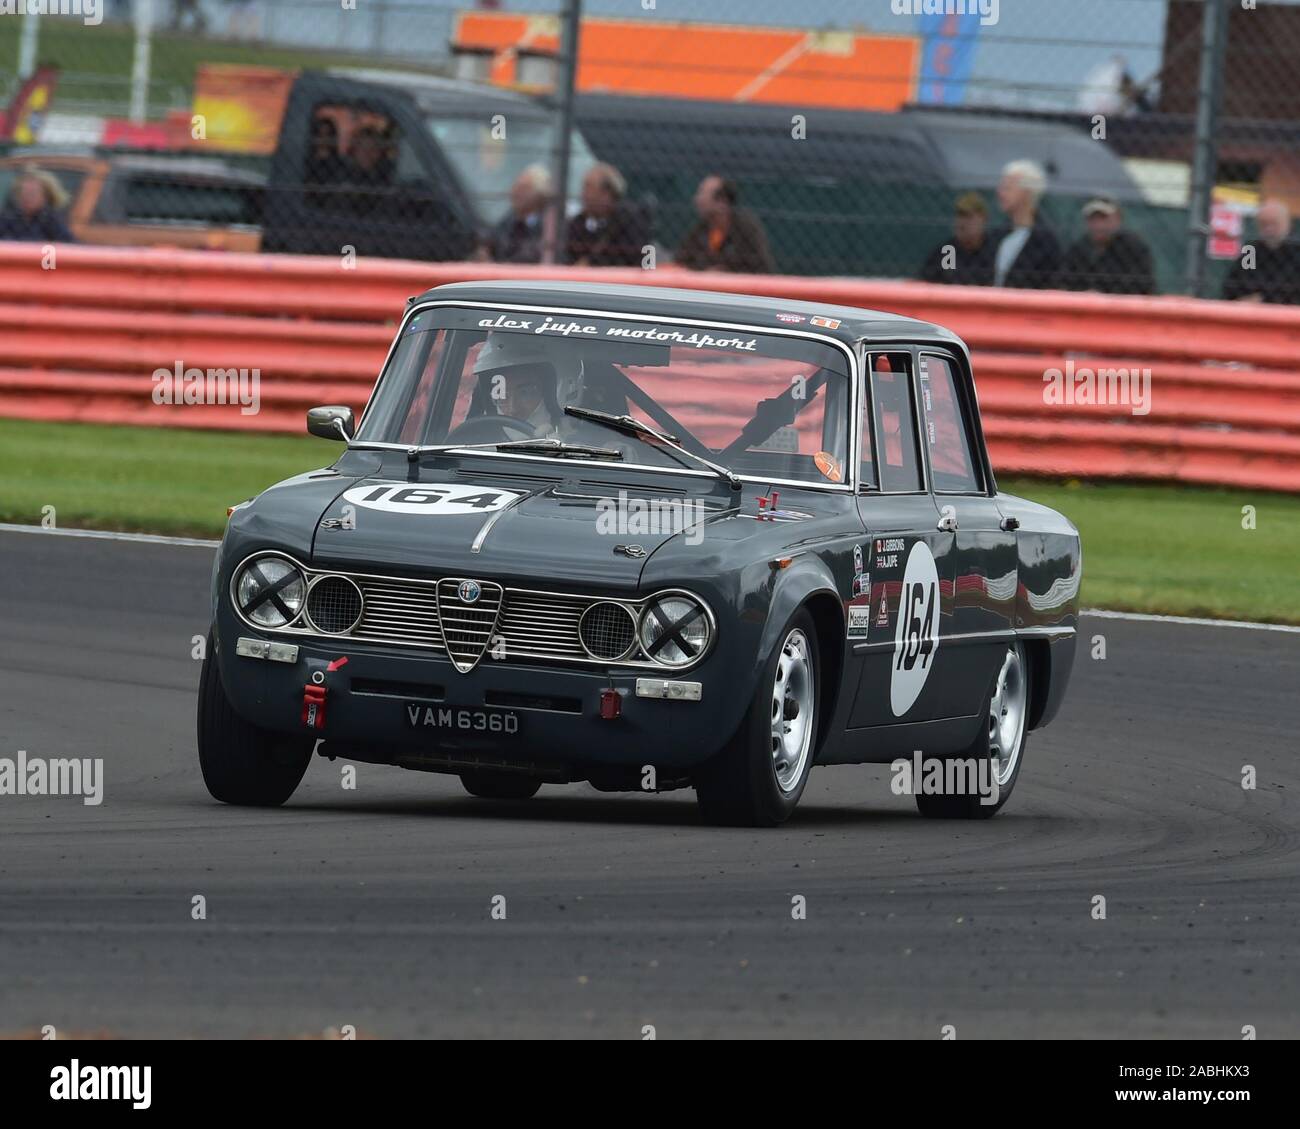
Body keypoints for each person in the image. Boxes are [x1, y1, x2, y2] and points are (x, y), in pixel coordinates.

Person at [470, 333, 585, 439]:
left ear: (560, 392)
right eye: (501, 393)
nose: (512, 409)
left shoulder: (587, 453)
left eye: (525, 393)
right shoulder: (474, 446)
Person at [675, 175, 774, 273]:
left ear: (722, 202)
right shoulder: (702, 229)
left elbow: (760, 267)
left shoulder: (746, 229)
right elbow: (681, 260)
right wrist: (704, 273)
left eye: (703, 194)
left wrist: (726, 274)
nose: (697, 199)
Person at [1057, 197, 1155, 295]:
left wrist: (1104, 295)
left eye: (1103, 218)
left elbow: (1143, 286)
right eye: (1093, 218)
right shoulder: (1078, 250)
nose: (1098, 224)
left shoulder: (1133, 248)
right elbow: (1065, 282)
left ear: (1118, 219)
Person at [990, 159, 1061, 289]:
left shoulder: (1046, 243)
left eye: (1007, 188)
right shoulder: (996, 235)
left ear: (1027, 193)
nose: (1000, 193)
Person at [565, 163, 649, 267]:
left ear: (606, 194)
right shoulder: (577, 223)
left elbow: (642, 260)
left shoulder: (630, 221)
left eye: (588, 188)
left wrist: (591, 263)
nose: (583, 194)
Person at [1222, 199, 1300, 305]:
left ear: (1287, 224)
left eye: (1274, 223)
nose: (1269, 229)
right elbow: (1235, 285)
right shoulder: (1251, 251)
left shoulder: (1296, 252)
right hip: (1256, 313)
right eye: (1263, 224)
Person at [918, 192, 995, 286]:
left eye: (969, 216)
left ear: (983, 219)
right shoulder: (948, 251)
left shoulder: (995, 251)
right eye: (959, 215)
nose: (962, 222)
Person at [482, 165, 553, 264]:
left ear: (540, 195)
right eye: (516, 186)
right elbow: (490, 243)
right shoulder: (507, 221)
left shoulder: (548, 227)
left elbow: (534, 255)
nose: (516, 192)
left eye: (524, 188)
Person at [0, 167, 76, 243]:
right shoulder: (7, 218)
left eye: (32, 193)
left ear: (46, 196)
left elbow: (70, 247)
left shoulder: (52, 221)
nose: (26, 198)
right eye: (23, 193)